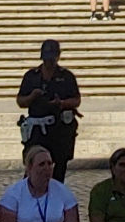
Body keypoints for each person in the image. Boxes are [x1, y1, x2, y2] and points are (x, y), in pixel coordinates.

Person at [17, 39, 81, 181]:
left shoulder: (66, 76)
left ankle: (55, 192)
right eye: (47, 59)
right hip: (37, 130)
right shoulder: (31, 76)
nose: (49, 62)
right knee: (34, 162)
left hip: (59, 129)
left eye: (52, 59)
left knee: (59, 167)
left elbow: (76, 100)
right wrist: (33, 96)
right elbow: (20, 101)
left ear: (58, 57)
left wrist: (62, 103)